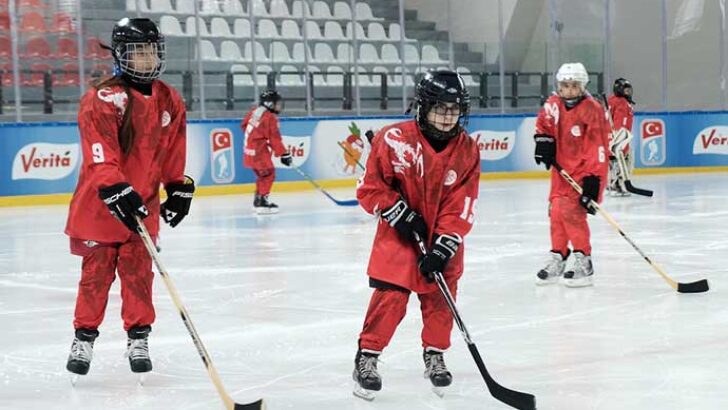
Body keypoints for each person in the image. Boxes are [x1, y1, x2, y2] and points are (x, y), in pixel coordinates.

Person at [64, 17, 194, 378]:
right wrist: (114, 187)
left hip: (144, 206)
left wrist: (178, 185)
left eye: (153, 51)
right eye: (140, 52)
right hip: (101, 207)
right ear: (122, 56)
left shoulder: (170, 98)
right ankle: (84, 338)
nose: (148, 59)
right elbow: (99, 153)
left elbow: (171, 151)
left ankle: (139, 337)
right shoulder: (104, 98)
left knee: (139, 275)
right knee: (95, 277)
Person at [352, 69, 480, 400]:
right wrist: (398, 212)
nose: (448, 116)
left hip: (440, 239)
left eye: (454, 108)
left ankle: (435, 353)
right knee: (390, 298)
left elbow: (462, 202)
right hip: (398, 238)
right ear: (423, 106)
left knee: (440, 298)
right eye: (441, 107)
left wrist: (443, 245)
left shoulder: (467, 150)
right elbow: (370, 189)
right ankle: (367, 357)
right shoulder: (393, 139)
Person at [533, 62, 609, 287]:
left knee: (573, 215)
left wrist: (593, 182)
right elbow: (543, 124)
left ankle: (583, 260)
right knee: (556, 214)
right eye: (565, 85)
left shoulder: (591, 109)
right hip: (560, 173)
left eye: (574, 85)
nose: (569, 90)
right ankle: (558, 255)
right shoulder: (553, 104)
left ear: (582, 86)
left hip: (582, 174)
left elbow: (597, 146)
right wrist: (543, 142)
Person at [241, 90, 292, 214]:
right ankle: (262, 203)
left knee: (262, 175)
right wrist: (284, 154)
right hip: (259, 153)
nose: (279, 106)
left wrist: (257, 137)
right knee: (269, 174)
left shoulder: (254, 112)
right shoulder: (270, 117)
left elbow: (244, 125)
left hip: (249, 152)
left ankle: (258, 200)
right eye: (277, 104)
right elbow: (275, 139)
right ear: (269, 104)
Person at [607, 77, 636, 195]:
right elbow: (621, 123)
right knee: (623, 161)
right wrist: (621, 140)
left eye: (629, 90)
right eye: (625, 90)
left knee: (613, 163)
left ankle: (612, 184)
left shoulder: (610, 100)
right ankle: (617, 185)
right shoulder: (622, 103)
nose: (628, 93)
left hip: (608, 137)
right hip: (619, 137)